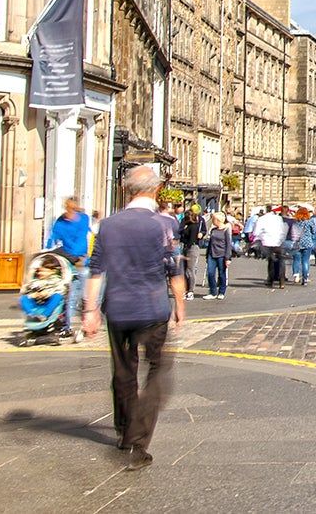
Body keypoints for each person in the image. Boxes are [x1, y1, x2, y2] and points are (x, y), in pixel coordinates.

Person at [83, 164, 185, 471]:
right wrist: (180, 304)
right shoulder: (163, 224)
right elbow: (174, 267)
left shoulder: (109, 225)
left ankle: (124, 432)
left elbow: (96, 270)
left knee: (123, 373)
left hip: (118, 308)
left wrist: (90, 311)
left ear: (127, 190)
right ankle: (138, 443)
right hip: (152, 309)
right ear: (155, 190)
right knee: (158, 371)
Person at [47, 196, 93, 337]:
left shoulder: (83, 219)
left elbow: (83, 237)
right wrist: (48, 251)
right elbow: (52, 239)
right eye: (67, 208)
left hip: (82, 261)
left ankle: (87, 324)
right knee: (70, 296)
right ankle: (67, 326)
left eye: (72, 208)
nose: (69, 211)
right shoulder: (60, 222)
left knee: (86, 297)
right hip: (68, 262)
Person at [254, 206, 287, 289]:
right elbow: (284, 229)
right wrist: (282, 238)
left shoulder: (262, 219)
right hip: (278, 241)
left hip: (267, 242)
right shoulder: (278, 218)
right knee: (281, 261)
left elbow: (256, 232)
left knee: (271, 261)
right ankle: (282, 281)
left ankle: (271, 280)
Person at [179, 205, 205, 300]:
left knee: (190, 270)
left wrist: (201, 234)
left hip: (192, 248)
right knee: (184, 270)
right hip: (185, 247)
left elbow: (191, 239)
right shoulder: (186, 224)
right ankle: (185, 290)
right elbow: (179, 231)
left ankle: (191, 291)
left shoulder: (194, 226)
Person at [204, 212, 230, 300]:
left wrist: (228, 258)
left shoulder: (226, 230)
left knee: (222, 274)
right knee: (210, 273)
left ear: (217, 220)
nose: (212, 221)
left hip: (222, 255)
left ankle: (221, 292)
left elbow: (228, 244)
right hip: (212, 254)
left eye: (213, 219)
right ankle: (213, 292)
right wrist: (207, 255)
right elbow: (210, 243)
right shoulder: (213, 230)